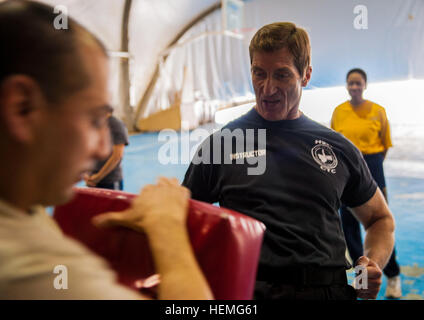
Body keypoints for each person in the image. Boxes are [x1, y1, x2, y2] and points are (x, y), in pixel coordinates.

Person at [0, 0, 212, 300]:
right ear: (22, 107)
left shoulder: (21, 208)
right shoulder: (28, 267)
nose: (102, 146)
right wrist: (167, 229)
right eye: (93, 119)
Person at [183, 22, 395, 300]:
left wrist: (370, 265)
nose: (267, 88)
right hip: (248, 292)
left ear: (306, 75)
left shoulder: (337, 147)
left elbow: (380, 219)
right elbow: (180, 218)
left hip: (329, 290)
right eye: (259, 73)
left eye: (282, 75)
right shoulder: (223, 144)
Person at [331, 68, 402, 299]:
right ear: (346, 85)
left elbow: (384, 145)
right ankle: (362, 282)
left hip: (372, 167)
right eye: (350, 83)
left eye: (358, 83)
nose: (354, 87)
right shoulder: (339, 112)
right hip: (345, 173)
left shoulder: (378, 111)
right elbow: (332, 145)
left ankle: (392, 275)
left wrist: (369, 171)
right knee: (349, 229)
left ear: (365, 85)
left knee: (381, 225)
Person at [85, 111, 129, 190]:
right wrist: (86, 174)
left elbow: (117, 156)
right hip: (92, 179)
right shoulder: (94, 124)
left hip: (110, 181)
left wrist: (98, 177)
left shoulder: (116, 125)